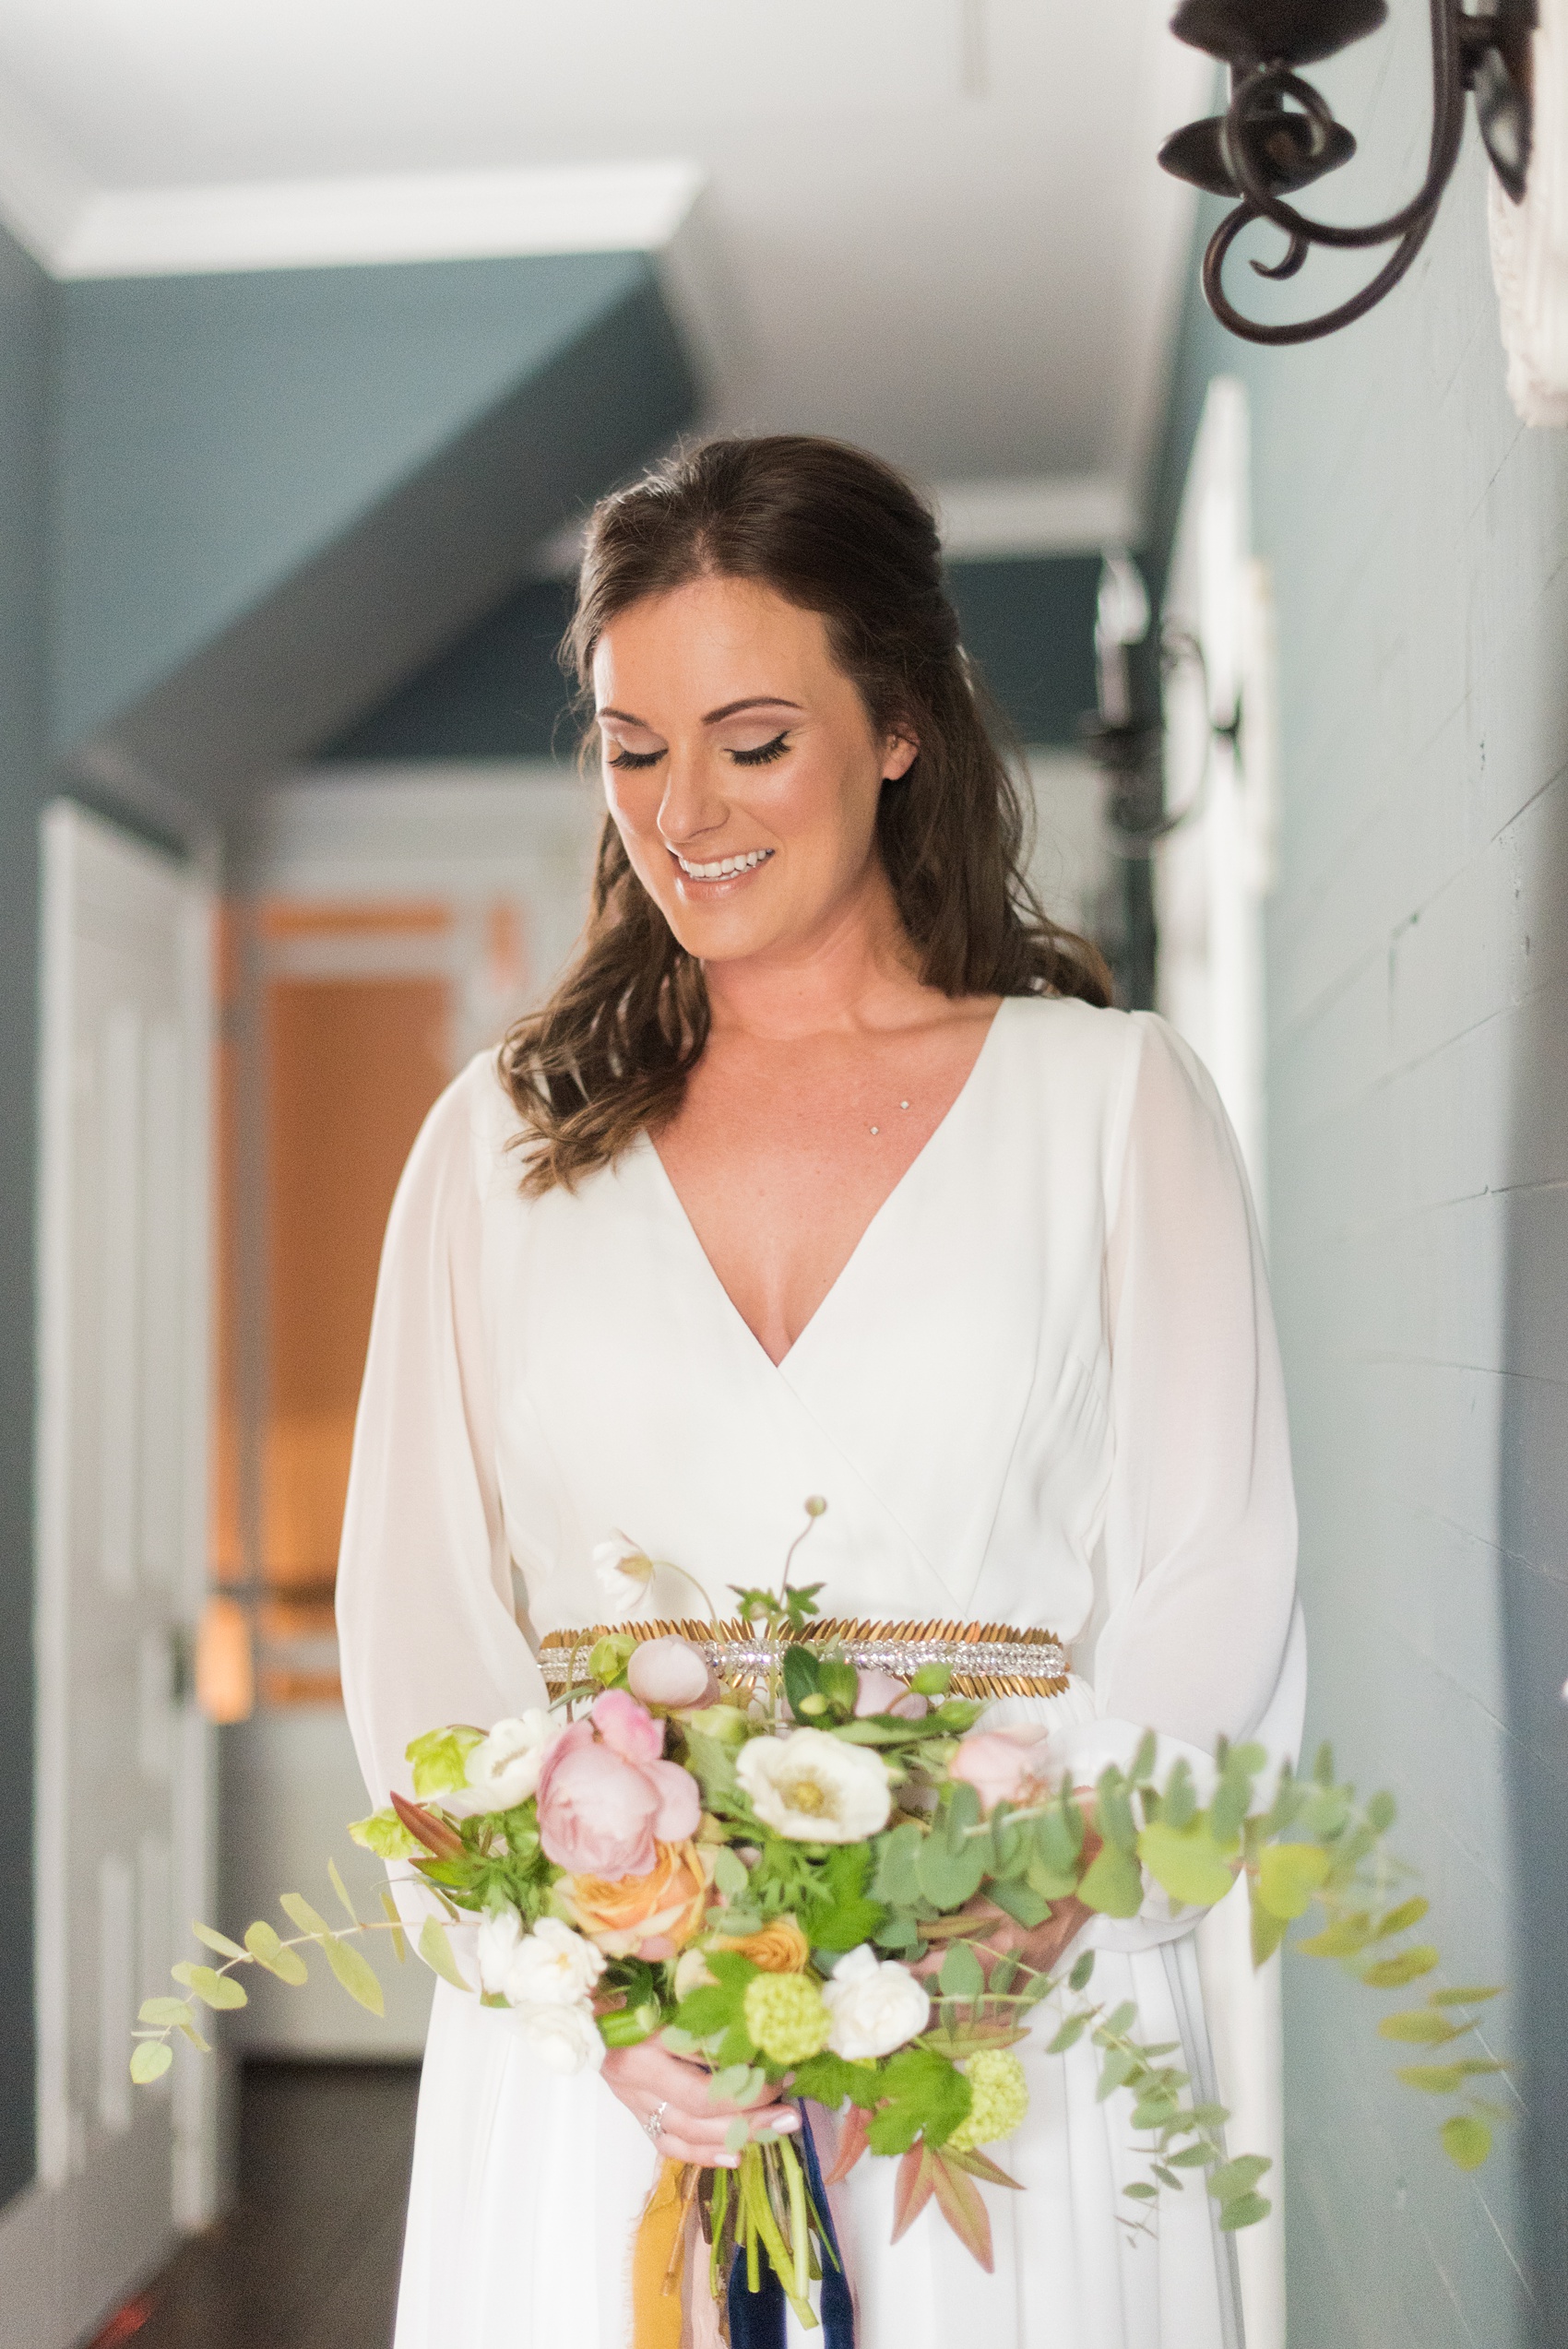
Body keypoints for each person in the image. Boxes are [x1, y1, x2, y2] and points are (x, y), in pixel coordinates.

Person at [338, 434, 1302, 2349]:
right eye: (630, 744)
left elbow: (1217, 1577)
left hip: (1007, 2041)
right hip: (609, 2076)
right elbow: (421, 1616)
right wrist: (592, 1986)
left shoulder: (1108, 1105)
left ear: (897, 728)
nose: (681, 807)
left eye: (752, 736)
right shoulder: (498, 1143)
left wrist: (1028, 1911)